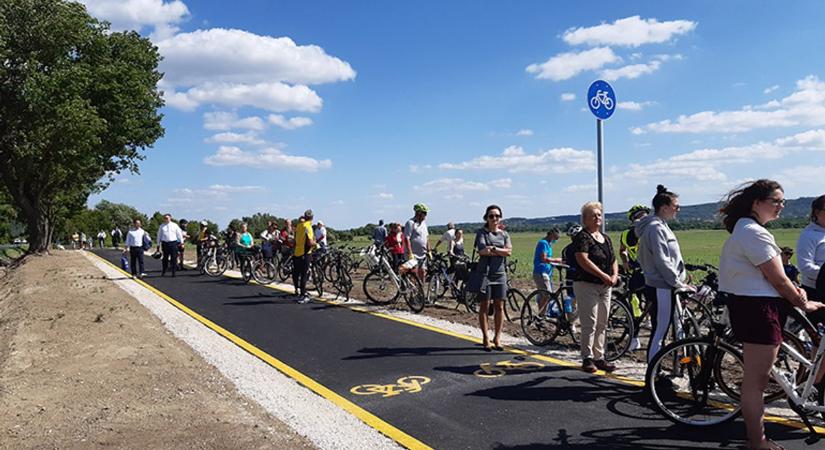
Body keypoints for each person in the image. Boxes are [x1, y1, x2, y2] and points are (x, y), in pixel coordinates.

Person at [718, 179, 825, 450]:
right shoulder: (754, 232)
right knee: (756, 382)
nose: (781, 206)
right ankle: (757, 441)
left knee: (758, 378)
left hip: (754, 307)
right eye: (775, 201)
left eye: (783, 202)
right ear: (757, 203)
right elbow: (779, 280)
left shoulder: (746, 229)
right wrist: (804, 303)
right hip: (758, 310)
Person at [635, 185, 690, 365]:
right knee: (660, 331)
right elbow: (662, 260)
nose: (678, 210)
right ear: (664, 207)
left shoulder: (660, 226)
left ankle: (661, 370)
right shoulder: (655, 228)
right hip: (662, 287)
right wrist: (677, 283)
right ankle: (653, 373)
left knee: (664, 330)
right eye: (676, 206)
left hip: (665, 286)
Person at [571, 202, 618, 373]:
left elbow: (613, 259)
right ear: (585, 219)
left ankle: (600, 356)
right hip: (587, 284)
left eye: (599, 215)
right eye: (594, 215)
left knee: (602, 322)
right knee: (589, 322)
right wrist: (602, 275)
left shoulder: (605, 238)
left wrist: (613, 275)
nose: (597, 218)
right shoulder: (582, 237)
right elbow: (583, 259)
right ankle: (587, 357)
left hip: (605, 286)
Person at [472, 205, 512, 352]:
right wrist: (500, 251)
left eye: (497, 216)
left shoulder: (505, 234)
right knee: (484, 306)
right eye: (491, 216)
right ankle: (485, 337)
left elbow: (509, 252)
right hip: (485, 274)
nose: (494, 218)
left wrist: (494, 249)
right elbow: (482, 251)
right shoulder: (481, 232)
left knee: (499, 306)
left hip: (500, 273)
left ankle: (497, 337)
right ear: (486, 218)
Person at [797, 194, 825, 328]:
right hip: (817, 291)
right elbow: (805, 267)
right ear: (817, 213)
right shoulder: (809, 235)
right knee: (818, 338)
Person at [532, 228, 563, 313]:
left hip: (546, 273)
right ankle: (541, 315)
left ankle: (542, 313)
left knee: (542, 295)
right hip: (541, 272)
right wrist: (558, 260)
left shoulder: (548, 244)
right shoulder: (543, 243)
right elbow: (544, 259)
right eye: (556, 238)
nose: (556, 240)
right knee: (547, 295)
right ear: (552, 235)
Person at [293, 210, 316, 304]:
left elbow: (295, 240)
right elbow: (310, 242)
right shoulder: (308, 227)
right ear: (312, 218)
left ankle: (298, 291)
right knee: (304, 274)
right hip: (305, 253)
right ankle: (303, 295)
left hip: (297, 252)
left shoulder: (299, 226)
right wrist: (316, 243)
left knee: (296, 273)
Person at [404, 203, 430, 281]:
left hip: (423, 253)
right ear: (418, 213)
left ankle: (421, 291)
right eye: (424, 213)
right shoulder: (410, 223)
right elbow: (406, 238)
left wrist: (429, 250)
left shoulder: (424, 224)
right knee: (414, 273)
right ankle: (412, 290)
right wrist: (410, 252)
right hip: (413, 254)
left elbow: (427, 237)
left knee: (423, 272)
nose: (426, 215)